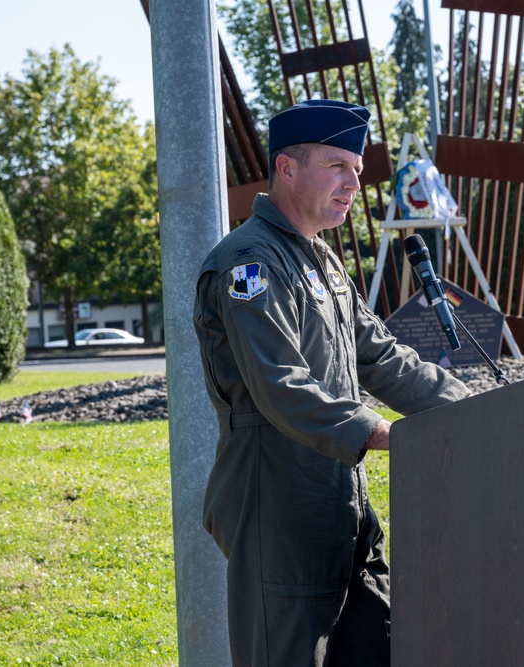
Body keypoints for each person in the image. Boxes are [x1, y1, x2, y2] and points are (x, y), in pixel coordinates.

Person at [193, 99, 471, 667]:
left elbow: (383, 357)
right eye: (337, 166)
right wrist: (381, 433)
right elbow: (281, 386)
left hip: (341, 505)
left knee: (380, 648)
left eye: (357, 171)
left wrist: (473, 411)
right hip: (277, 505)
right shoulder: (250, 263)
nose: (352, 185)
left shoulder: (321, 262)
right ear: (287, 168)